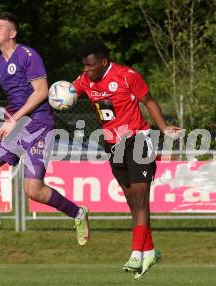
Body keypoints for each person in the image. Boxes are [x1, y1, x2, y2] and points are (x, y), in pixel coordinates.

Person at [0, 11, 89, 246]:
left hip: (39, 126)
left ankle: (78, 213)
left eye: (0, 27)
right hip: (16, 126)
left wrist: (14, 118)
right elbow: (16, 98)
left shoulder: (28, 55)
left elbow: (42, 91)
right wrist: (10, 120)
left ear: (12, 33)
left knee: (33, 190)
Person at [72, 40, 180, 279]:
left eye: (90, 65)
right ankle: (150, 250)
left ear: (103, 61)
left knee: (141, 199)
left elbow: (149, 100)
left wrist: (163, 127)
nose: (87, 70)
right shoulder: (85, 80)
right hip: (112, 144)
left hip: (138, 140)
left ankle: (136, 253)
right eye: (84, 66)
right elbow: (68, 93)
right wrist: (56, 97)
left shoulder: (127, 76)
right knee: (132, 201)